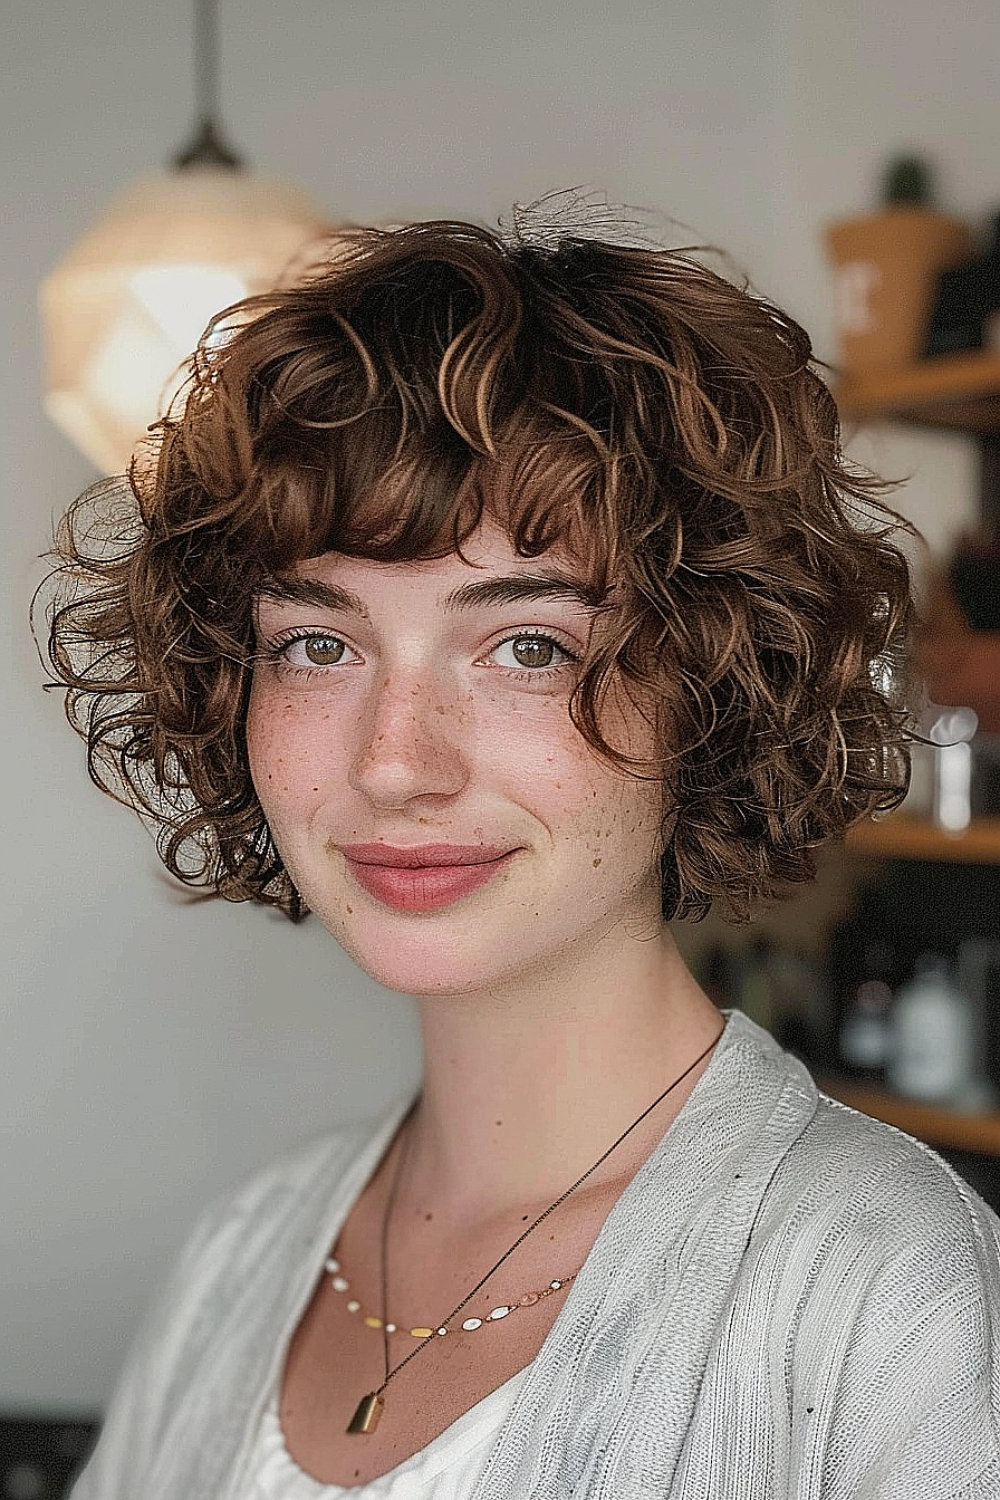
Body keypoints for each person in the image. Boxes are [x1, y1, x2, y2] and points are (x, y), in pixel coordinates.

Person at [45, 200, 1000, 1499]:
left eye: (527, 646)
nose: (395, 759)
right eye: (317, 644)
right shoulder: (252, 1247)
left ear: (711, 688)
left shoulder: (889, 1294)